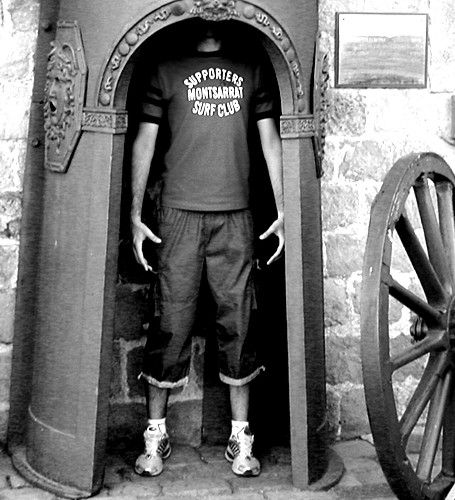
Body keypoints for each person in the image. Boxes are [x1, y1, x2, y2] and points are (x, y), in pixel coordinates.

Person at [130, 20, 284, 478]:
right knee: (170, 321)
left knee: (239, 320)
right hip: (178, 213)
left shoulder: (251, 66)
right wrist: (134, 214)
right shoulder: (165, 67)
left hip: (235, 214)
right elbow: (144, 140)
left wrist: (284, 206)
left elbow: (271, 138)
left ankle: (241, 437)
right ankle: (155, 435)